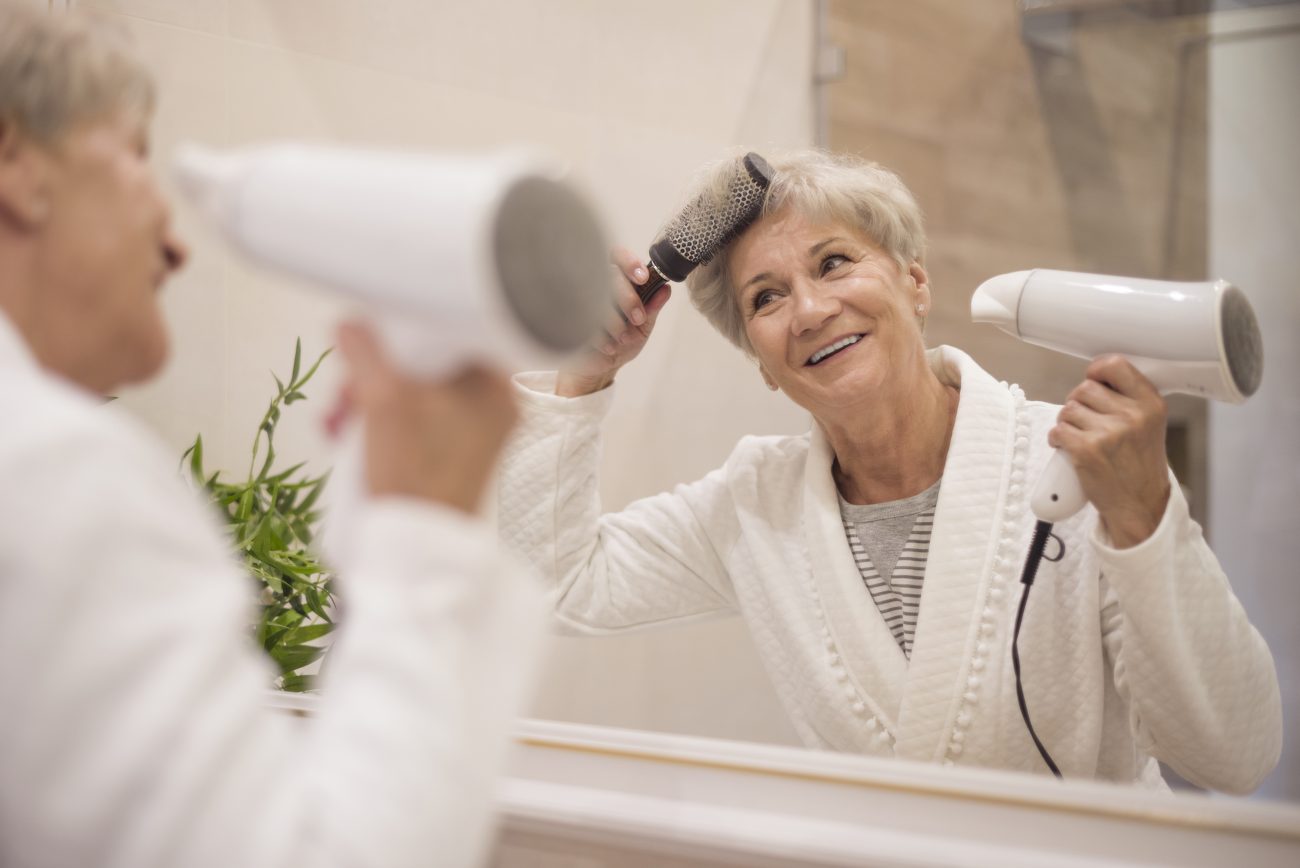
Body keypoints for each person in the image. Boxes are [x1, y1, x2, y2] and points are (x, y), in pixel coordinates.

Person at [497, 148, 1283, 792]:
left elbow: (1234, 758)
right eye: (767, 298)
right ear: (763, 365)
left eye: (834, 263)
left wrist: (1144, 518)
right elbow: (557, 582)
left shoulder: (1084, 465)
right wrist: (585, 377)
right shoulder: (754, 510)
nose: (808, 311)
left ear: (914, 282)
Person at [0, 5, 539, 867]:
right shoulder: (48, 474)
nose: (176, 243)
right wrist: (428, 534)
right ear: (16, 158)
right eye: (136, 153)